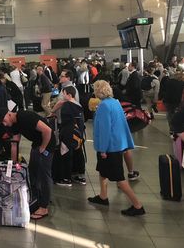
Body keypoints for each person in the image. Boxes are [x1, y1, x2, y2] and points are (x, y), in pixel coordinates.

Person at [88, 80, 145, 216]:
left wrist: (102, 149)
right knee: (102, 171)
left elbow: (105, 129)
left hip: (109, 147)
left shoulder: (103, 107)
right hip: (118, 144)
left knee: (120, 179)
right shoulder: (115, 102)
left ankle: (138, 206)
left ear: (97, 91)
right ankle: (103, 196)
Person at [0, 107, 55, 220]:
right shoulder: (14, 125)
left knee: (44, 175)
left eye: (4, 121)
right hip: (37, 144)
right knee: (32, 173)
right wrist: (13, 164)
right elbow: (14, 143)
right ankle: (36, 200)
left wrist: (43, 148)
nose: (5, 124)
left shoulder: (25, 116)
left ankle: (44, 207)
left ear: (9, 114)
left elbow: (48, 131)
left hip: (47, 143)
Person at [52, 86, 84, 186]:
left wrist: (53, 110)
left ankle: (66, 178)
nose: (62, 96)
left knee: (65, 154)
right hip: (78, 134)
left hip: (68, 133)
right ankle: (78, 175)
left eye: (64, 94)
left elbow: (64, 121)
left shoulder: (67, 106)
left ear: (69, 95)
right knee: (77, 154)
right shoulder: (79, 106)